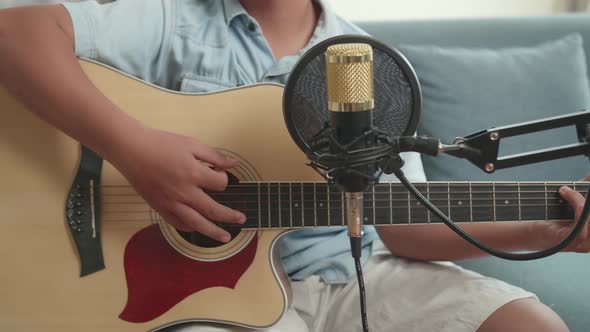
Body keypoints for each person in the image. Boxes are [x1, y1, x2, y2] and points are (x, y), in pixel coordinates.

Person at [0, 1, 587, 331]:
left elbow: (407, 227)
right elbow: (14, 31)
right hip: (206, 291)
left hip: (353, 273)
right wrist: (136, 149)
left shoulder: (372, 63)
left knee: (529, 327)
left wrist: (546, 232)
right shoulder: (169, 20)